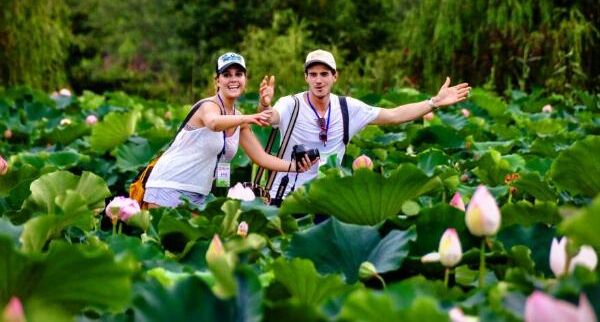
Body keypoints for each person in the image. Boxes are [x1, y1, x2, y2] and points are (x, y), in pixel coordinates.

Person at [258, 49, 471, 199]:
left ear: (335, 77)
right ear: (306, 77)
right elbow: (269, 118)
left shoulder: (347, 108)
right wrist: (263, 104)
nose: (318, 80)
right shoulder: (290, 104)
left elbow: (394, 115)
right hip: (286, 197)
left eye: (324, 74)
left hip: (326, 198)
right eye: (313, 74)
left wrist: (434, 102)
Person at [143, 52, 315, 208]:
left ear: (245, 80)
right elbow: (213, 123)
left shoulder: (237, 118)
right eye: (226, 75)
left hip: (198, 193)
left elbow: (261, 157)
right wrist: (247, 118)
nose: (233, 79)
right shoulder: (208, 106)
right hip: (169, 185)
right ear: (217, 81)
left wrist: (296, 167)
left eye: (238, 74)